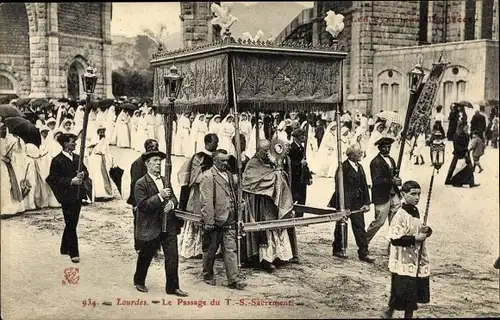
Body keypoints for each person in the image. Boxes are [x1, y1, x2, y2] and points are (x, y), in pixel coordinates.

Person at [133, 150, 187, 297]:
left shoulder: (165, 180)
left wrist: (172, 203)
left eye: (159, 161)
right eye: (155, 160)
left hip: (168, 225)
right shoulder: (141, 183)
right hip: (152, 226)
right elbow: (143, 205)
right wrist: (159, 196)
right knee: (146, 255)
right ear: (147, 163)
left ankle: (173, 287)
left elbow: (174, 198)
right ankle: (139, 280)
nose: (158, 163)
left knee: (172, 257)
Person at [241, 139, 295, 272]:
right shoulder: (253, 163)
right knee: (263, 230)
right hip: (257, 204)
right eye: (264, 150)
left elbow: (276, 175)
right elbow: (253, 180)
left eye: (268, 150)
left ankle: (277, 255)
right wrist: (275, 175)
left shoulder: (269, 163)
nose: (266, 153)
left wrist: (278, 171)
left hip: (270, 202)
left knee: (274, 227)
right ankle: (265, 259)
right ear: (258, 150)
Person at [382, 180, 433, 319]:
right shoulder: (400, 215)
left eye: (419, 194)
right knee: (403, 291)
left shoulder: (418, 211)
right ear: (404, 194)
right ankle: (397, 313)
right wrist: (416, 238)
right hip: (403, 259)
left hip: (416, 257)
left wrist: (427, 231)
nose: (417, 197)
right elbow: (395, 239)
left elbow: (426, 229)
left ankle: (391, 312)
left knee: (410, 291)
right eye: (413, 194)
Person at [200, 149, 247, 290]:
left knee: (230, 249)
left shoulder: (228, 174)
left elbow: (233, 193)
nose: (226, 163)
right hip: (215, 220)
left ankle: (233, 279)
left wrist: (240, 203)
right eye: (222, 161)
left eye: (227, 160)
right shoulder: (208, 176)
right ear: (214, 161)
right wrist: (209, 222)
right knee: (211, 250)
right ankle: (207, 274)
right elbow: (206, 201)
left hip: (230, 218)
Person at [46, 132, 90, 263]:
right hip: (66, 196)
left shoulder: (77, 158)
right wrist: (71, 181)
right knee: (71, 223)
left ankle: (64, 247)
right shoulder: (57, 160)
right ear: (65, 144)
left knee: (72, 222)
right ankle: (73, 252)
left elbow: (86, 171)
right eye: (72, 142)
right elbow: (52, 179)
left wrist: (83, 175)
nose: (75, 144)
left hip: (78, 195)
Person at [329, 144, 374, 263]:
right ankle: (338, 249)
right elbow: (340, 188)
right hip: (344, 202)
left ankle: (364, 253)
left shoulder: (360, 167)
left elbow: (364, 186)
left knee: (360, 227)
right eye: (359, 153)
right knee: (341, 225)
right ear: (352, 155)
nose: (361, 155)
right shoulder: (343, 168)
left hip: (358, 203)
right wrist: (345, 207)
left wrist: (366, 203)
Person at [178, 133, 219, 259]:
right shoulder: (198, 157)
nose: (217, 144)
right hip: (199, 192)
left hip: (213, 192)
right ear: (207, 143)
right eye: (215, 142)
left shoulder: (217, 155)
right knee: (199, 218)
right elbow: (195, 176)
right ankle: (196, 249)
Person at [365, 137, 402, 244]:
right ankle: (364, 242)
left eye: (389, 147)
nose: (387, 149)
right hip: (382, 195)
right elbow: (377, 180)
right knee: (379, 221)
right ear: (380, 148)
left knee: (395, 221)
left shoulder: (391, 160)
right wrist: (392, 181)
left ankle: (394, 244)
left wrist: (397, 179)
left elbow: (394, 175)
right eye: (385, 147)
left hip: (393, 194)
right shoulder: (375, 162)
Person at [127, 139, 160, 253]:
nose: (155, 150)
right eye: (153, 148)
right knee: (140, 222)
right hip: (140, 199)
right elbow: (135, 184)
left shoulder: (155, 161)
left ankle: (153, 246)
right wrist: (136, 203)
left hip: (152, 198)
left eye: (157, 148)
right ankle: (139, 246)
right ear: (148, 149)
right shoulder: (138, 163)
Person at [445, 123, 480, 188]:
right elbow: (457, 145)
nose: (467, 130)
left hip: (460, 153)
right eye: (466, 128)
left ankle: (450, 180)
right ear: (462, 128)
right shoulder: (460, 136)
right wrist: (464, 150)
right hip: (462, 153)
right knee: (464, 167)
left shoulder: (461, 135)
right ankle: (468, 182)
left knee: (456, 166)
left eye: (468, 128)